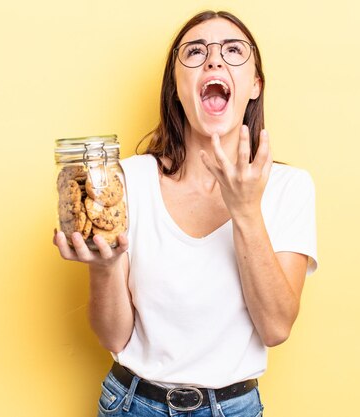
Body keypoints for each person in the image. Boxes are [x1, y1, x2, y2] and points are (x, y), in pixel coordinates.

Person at [54, 10, 318, 417]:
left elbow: (276, 328)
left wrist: (246, 211)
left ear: (254, 85)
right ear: (177, 88)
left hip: (234, 409)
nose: (214, 60)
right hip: (131, 404)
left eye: (233, 51)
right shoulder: (127, 180)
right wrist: (104, 269)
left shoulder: (289, 187)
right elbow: (116, 337)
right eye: (195, 52)